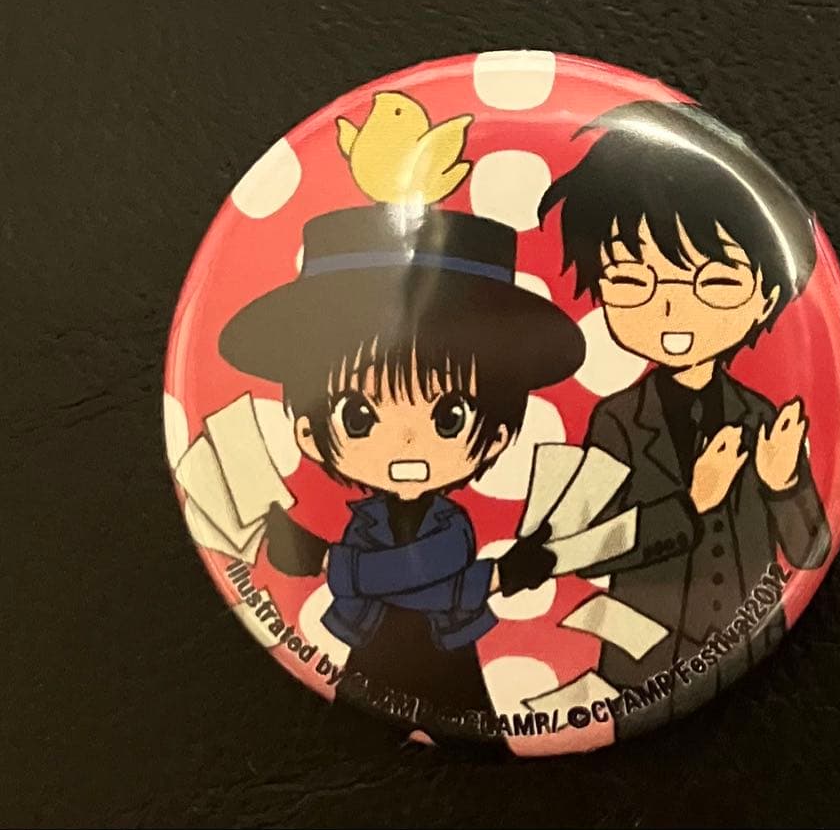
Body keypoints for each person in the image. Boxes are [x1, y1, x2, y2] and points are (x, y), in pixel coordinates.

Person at [218, 202, 581, 735]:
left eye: (449, 417)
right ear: (307, 434)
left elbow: (423, 573)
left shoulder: (448, 526)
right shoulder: (364, 522)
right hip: (371, 657)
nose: (407, 441)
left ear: (498, 437)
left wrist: (324, 559)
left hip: (445, 656)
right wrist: (499, 576)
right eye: (360, 416)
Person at [538, 101, 831, 737]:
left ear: (766, 297)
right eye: (633, 282)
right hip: (639, 668)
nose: (672, 310)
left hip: (753, 654)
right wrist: (692, 502)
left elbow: (809, 552)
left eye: (716, 284)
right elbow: (584, 550)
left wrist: (783, 483)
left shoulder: (764, 416)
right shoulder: (616, 422)